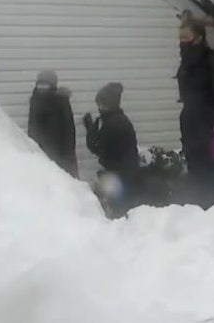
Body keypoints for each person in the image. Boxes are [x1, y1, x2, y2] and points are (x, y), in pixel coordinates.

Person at [176, 14, 214, 206]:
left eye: (186, 36)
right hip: (191, 130)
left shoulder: (212, 61)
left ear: (198, 36)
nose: (182, 41)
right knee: (197, 180)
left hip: (212, 128)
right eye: (180, 37)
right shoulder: (184, 66)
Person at [83, 82, 140, 217]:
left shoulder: (112, 125)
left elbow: (98, 148)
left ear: (107, 105)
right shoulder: (120, 120)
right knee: (124, 209)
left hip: (119, 176)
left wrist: (90, 129)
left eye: (100, 104)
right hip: (127, 174)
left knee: (118, 212)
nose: (99, 108)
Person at [27, 70, 78, 178]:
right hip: (45, 153)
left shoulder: (60, 101)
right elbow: (32, 127)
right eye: (40, 84)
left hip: (56, 153)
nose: (42, 88)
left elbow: (69, 131)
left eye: (45, 85)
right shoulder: (37, 100)